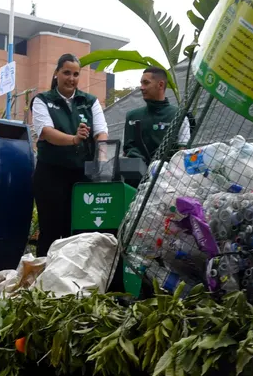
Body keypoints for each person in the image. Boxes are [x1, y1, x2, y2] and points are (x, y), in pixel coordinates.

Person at [31, 53, 108, 255]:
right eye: (66, 73)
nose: (71, 78)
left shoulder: (90, 101)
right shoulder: (42, 100)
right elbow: (46, 133)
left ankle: (75, 281)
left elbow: (101, 132)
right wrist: (74, 139)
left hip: (82, 176)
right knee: (51, 231)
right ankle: (44, 279)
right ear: (56, 73)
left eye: (75, 74)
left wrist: (101, 159)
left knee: (81, 231)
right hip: (51, 175)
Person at [123, 67, 190, 165]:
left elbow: (182, 153)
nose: (141, 87)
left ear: (161, 85)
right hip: (135, 177)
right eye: (141, 83)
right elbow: (126, 151)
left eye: (146, 83)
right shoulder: (132, 116)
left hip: (166, 176)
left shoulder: (179, 116)